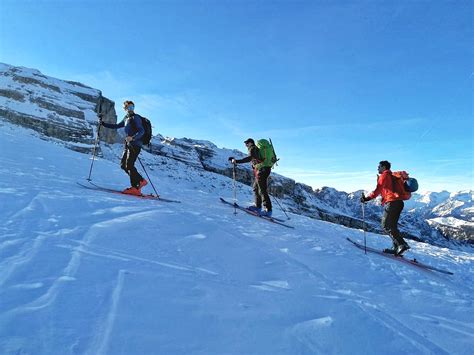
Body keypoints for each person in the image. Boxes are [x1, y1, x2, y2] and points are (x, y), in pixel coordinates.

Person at [361, 160, 410, 255]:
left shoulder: (384, 175)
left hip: (392, 203)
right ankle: (396, 247)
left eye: (379, 166)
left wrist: (366, 198)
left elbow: (377, 190)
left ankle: (401, 244)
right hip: (399, 203)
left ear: (384, 167)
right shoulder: (392, 176)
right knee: (392, 226)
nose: (377, 168)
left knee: (385, 225)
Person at [99, 100, 148, 196]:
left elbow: (141, 131)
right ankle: (138, 185)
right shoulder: (126, 118)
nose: (130, 109)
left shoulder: (136, 117)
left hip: (135, 144)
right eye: (128, 107)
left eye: (132, 107)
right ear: (125, 109)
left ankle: (138, 184)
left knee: (129, 165)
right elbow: (116, 126)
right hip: (128, 144)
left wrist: (133, 137)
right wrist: (103, 124)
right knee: (123, 165)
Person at [229, 138, 273, 217]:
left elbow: (250, 158)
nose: (245, 145)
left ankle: (268, 210)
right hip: (263, 169)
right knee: (256, 188)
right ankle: (257, 206)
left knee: (262, 189)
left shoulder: (252, 148)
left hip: (262, 170)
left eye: (246, 143)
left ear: (250, 143)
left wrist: (236, 161)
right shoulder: (256, 149)